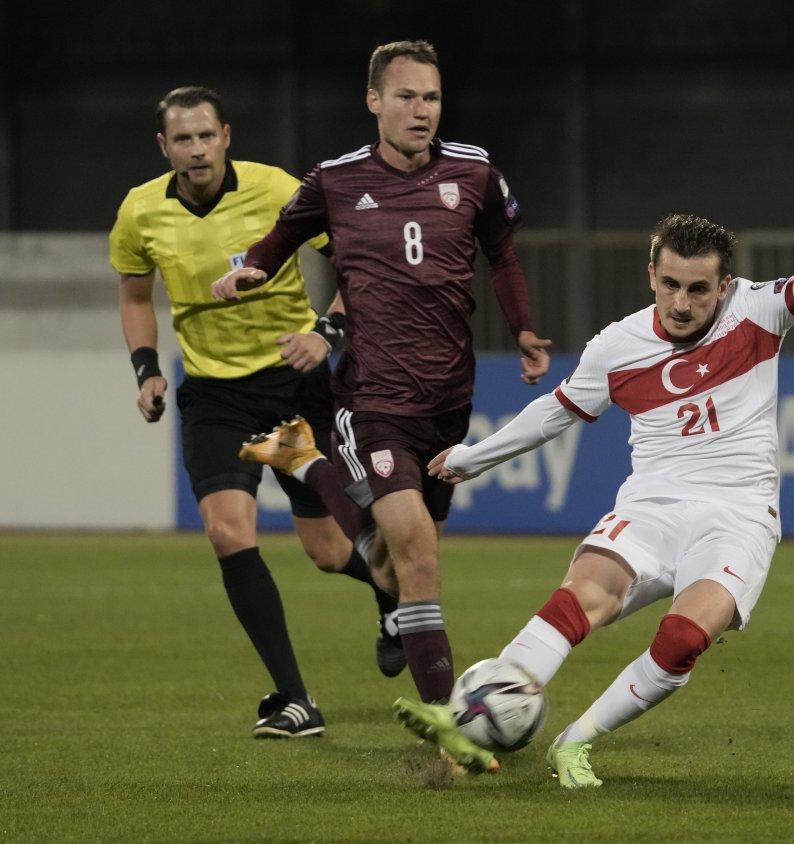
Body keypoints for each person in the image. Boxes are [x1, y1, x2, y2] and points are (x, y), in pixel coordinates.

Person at [390, 183, 794, 781]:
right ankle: (473, 719)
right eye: (671, 284)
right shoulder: (618, 345)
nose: (682, 303)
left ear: (723, 287)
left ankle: (575, 741)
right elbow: (555, 411)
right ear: (652, 273)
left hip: (738, 517)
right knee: (581, 596)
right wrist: (475, 457)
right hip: (652, 506)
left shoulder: (758, 311)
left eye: (699, 289)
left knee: (682, 638)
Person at [211, 40, 552, 764]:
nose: (420, 111)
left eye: (430, 97)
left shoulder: (475, 170)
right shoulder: (336, 180)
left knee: (396, 568)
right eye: (405, 96)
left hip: (449, 400)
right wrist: (249, 271)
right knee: (421, 560)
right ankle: (449, 732)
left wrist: (523, 327)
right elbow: (281, 236)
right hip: (371, 398)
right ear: (374, 102)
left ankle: (302, 464)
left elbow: (504, 253)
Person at [110, 86, 399, 738]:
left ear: (227, 135)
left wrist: (325, 333)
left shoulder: (276, 191)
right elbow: (134, 296)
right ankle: (297, 702)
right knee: (227, 533)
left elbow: (358, 263)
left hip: (288, 391)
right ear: (165, 147)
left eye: (206, 135)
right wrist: (147, 370)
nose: (197, 148)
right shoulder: (140, 212)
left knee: (326, 550)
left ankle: (390, 590)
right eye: (182, 139)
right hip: (214, 396)